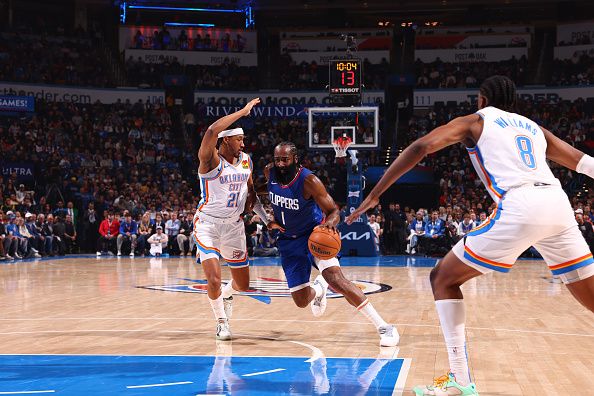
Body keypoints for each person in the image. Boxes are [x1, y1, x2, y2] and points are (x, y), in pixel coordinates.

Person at [347, 75, 594, 395]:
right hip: (559, 205)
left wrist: (377, 193)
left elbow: (421, 146)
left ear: (481, 99)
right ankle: (458, 381)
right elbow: (581, 162)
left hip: (521, 205)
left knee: (443, 279)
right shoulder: (534, 128)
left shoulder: (476, 120)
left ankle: (460, 382)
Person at [254, 142, 398, 347]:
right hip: (288, 242)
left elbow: (333, 211)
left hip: (314, 237)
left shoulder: (309, 180)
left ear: (295, 159)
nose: (280, 164)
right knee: (301, 301)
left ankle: (384, 327)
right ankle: (319, 290)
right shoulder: (270, 173)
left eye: (285, 159)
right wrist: (267, 219)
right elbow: (257, 191)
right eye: (277, 159)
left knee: (337, 280)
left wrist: (329, 225)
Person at [193, 98, 260, 341]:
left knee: (242, 285)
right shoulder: (210, 160)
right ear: (225, 140)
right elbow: (211, 130)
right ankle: (221, 321)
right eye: (239, 139)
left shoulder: (246, 160)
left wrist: (261, 215)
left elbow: (251, 191)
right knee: (213, 278)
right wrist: (243, 111)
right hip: (208, 224)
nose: (243, 143)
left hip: (234, 226)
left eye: (243, 139)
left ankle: (227, 295)